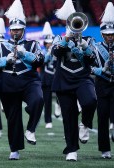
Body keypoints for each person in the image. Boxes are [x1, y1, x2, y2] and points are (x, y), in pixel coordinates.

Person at [0, 0, 44, 160]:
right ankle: (14, 149)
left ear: (24, 30)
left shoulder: (32, 44)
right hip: (7, 83)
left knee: (38, 100)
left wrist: (24, 54)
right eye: (13, 30)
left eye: (19, 30)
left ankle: (31, 129)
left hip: (29, 81)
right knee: (13, 118)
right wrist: (6, 60)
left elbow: (40, 60)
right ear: (9, 31)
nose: (16, 33)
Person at [52, 0, 97, 161]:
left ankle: (85, 123)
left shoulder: (89, 40)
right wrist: (67, 38)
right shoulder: (59, 38)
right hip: (63, 80)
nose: (75, 27)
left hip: (82, 78)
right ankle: (72, 149)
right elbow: (56, 53)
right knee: (69, 115)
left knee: (90, 101)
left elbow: (92, 61)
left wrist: (84, 46)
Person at [91, 2, 114, 159]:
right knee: (103, 116)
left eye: (112, 34)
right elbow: (89, 68)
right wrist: (102, 69)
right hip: (101, 84)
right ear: (102, 34)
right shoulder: (95, 47)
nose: (110, 37)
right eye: (107, 34)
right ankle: (104, 149)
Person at [40, 21, 56, 129]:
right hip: (46, 79)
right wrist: (49, 53)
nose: (49, 45)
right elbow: (42, 62)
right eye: (48, 43)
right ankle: (48, 120)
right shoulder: (41, 52)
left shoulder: (57, 51)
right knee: (47, 100)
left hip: (57, 78)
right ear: (45, 44)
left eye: (51, 43)